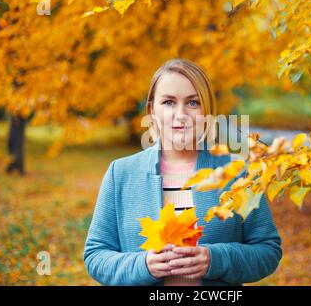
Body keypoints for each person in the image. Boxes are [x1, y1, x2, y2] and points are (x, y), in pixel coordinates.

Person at [83, 58, 282, 286]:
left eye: (193, 103)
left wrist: (215, 259)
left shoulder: (237, 173)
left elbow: (268, 251)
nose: (180, 114)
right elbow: (96, 256)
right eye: (168, 102)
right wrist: (143, 265)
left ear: (207, 110)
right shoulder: (121, 174)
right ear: (151, 109)